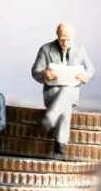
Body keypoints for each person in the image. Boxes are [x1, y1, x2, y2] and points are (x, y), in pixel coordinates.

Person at [31, 23, 95, 158]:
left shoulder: (80, 50)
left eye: (68, 39)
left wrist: (85, 76)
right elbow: (35, 72)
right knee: (67, 103)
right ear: (57, 36)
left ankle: (50, 119)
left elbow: (91, 70)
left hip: (71, 92)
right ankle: (60, 144)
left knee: (68, 91)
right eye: (62, 39)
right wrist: (44, 74)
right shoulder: (46, 49)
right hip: (52, 93)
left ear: (74, 37)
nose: (65, 43)